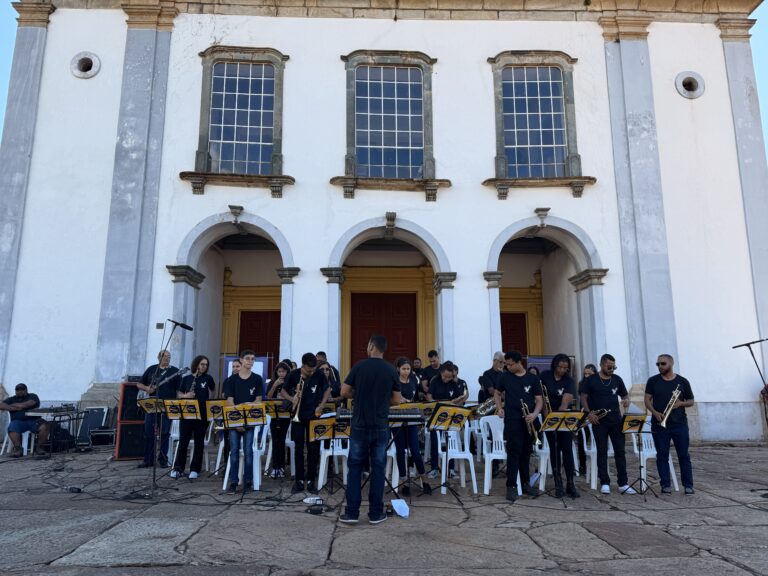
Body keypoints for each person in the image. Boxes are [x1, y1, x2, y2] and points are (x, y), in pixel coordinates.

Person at [340, 335, 402, 524]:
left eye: (367, 345)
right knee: (378, 468)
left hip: (359, 423)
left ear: (371, 346)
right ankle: (375, 513)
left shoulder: (359, 366)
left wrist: (358, 396)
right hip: (380, 425)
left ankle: (352, 513)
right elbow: (397, 400)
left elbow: (344, 392)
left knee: (355, 468)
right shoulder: (391, 369)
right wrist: (383, 400)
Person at [580, 353, 636, 495]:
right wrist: (589, 413)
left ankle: (623, 483)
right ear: (602, 364)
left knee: (620, 452)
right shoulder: (591, 380)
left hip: (616, 420)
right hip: (599, 421)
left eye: (613, 366)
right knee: (602, 451)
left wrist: (626, 400)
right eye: (609, 366)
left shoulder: (617, 380)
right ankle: (605, 482)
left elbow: (624, 395)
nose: (612, 369)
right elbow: (583, 397)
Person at [494, 350, 543, 502]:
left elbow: (539, 400)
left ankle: (525, 483)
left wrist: (534, 414)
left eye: (510, 364)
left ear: (519, 363)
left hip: (529, 420)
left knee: (526, 453)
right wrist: (499, 407)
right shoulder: (505, 376)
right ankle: (511, 486)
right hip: (512, 419)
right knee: (514, 453)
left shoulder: (532, 379)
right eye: (506, 364)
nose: (507, 367)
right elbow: (497, 393)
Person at [644, 354, 695, 495]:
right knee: (662, 456)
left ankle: (688, 485)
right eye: (658, 364)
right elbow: (647, 400)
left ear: (671, 364)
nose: (660, 366)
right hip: (660, 424)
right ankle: (665, 484)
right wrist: (654, 412)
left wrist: (681, 403)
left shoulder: (682, 382)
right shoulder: (653, 381)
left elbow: (691, 400)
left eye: (663, 363)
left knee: (684, 455)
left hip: (680, 424)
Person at [281, 353, 330, 494]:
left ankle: (310, 480)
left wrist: (322, 405)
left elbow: (327, 389)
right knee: (298, 448)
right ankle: (299, 480)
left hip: (313, 415)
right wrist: (292, 399)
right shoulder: (294, 374)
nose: (311, 372)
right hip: (298, 415)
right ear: (303, 365)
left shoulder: (319, 374)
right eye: (309, 369)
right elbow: (283, 391)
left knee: (313, 448)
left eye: (313, 369)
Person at [222, 349, 263, 493]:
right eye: (247, 358)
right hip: (234, 422)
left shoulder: (257, 379)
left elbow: (258, 401)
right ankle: (234, 482)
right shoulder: (231, 380)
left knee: (248, 451)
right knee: (233, 451)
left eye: (252, 358)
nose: (250, 361)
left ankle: (248, 481)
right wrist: (238, 421)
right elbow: (229, 402)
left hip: (250, 422)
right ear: (241, 360)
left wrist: (246, 408)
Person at [540, 354, 579, 498]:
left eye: (565, 368)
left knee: (567, 450)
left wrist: (558, 417)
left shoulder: (569, 380)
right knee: (554, 450)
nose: (562, 370)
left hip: (563, 418)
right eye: (560, 367)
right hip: (548, 418)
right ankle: (558, 484)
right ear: (554, 365)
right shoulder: (545, 376)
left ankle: (570, 483)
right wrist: (546, 415)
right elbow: (541, 396)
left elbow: (565, 401)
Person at [170, 355, 215, 480]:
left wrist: (209, 403)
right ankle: (178, 468)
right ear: (196, 365)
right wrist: (186, 396)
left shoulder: (208, 378)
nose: (204, 367)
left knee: (199, 442)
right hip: (187, 413)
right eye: (202, 364)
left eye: (206, 365)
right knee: (183, 441)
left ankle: (195, 469)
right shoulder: (186, 378)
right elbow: (178, 394)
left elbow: (213, 390)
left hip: (202, 414)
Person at [392, 357, 430, 496]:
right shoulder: (394, 381)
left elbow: (418, 398)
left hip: (412, 419)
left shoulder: (414, 381)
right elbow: (389, 399)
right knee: (400, 451)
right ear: (398, 369)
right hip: (397, 419)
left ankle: (424, 480)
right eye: (403, 369)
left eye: (408, 369)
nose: (406, 371)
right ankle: (404, 482)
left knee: (415, 451)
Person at [137, 350, 180, 468]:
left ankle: (163, 459)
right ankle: (148, 460)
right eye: (164, 356)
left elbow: (178, 391)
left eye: (169, 357)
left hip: (167, 405)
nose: (167, 358)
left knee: (165, 433)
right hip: (152, 405)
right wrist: (147, 388)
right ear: (158, 357)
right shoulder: (152, 369)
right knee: (148, 432)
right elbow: (139, 384)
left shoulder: (175, 372)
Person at [425, 362, 468, 478]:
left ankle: (451, 469)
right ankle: (434, 468)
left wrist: (459, 401)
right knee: (435, 440)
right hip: (437, 415)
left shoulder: (453, 384)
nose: (447, 379)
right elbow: (428, 396)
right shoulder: (435, 381)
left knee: (451, 442)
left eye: (449, 377)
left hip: (450, 416)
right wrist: (435, 403)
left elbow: (459, 398)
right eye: (445, 376)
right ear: (441, 373)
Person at [0, 383, 49, 457]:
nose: (19, 391)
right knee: (12, 427)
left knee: (45, 426)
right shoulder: (12, 398)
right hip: (18, 422)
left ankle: (40, 447)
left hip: (34, 420)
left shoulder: (32, 396)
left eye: (22, 390)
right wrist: (13, 408)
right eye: (17, 390)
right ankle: (18, 449)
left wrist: (14, 405)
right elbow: (1, 405)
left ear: (26, 390)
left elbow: (27, 404)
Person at [266, 361, 292, 478]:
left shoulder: (290, 383)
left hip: (285, 415)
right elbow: (268, 397)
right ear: (276, 372)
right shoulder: (272, 382)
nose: (281, 374)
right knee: (275, 441)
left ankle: (281, 467)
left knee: (281, 440)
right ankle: (274, 467)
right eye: (279, 371)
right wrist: (274, 385)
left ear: (287, 372)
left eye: (284, 371)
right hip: (273, 414)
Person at [576, 363, 597, 474]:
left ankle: (597, 465)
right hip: (584, 414)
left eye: (590, 373)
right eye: (585, 374)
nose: (587, 375)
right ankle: (582, 466)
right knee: (581, 440)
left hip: (595, 414)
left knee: (597, 440)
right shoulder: (582, 383)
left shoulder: (598, 383)